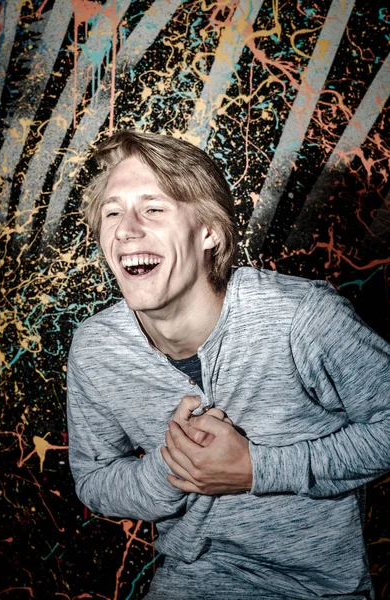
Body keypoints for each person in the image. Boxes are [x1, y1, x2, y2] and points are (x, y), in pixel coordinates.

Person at [67, 130, 390, 600]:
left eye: (153, 209)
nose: (126, 229)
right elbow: (94, 479)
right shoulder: (96, 349)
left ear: (209, 232)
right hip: (189, 581)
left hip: (318, 590)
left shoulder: (302, 318)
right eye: (112, 212)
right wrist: (171, 469)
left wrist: (258, 469)